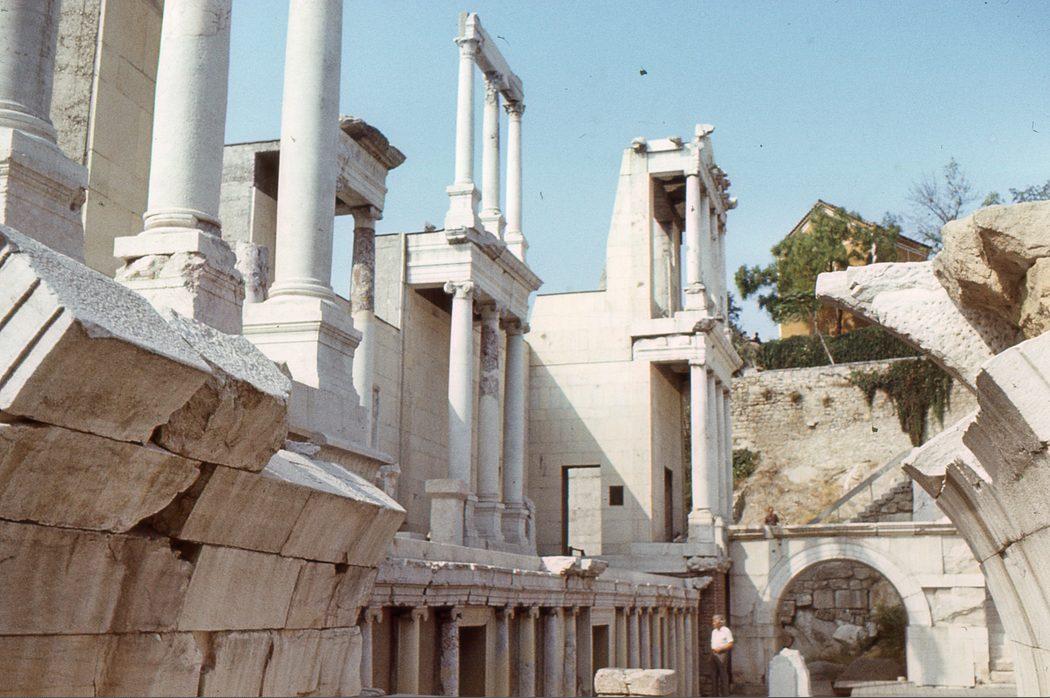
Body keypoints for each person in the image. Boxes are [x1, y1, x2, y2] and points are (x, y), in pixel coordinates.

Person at [710, 614, 733, 696]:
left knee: (723, 675)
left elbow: (730, 644)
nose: (713, 623)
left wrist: (720, 649)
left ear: (720, 622)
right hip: (713, 654)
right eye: (713, 621)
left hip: (722, 654)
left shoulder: (726, 630)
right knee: (713, 675)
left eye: (714, 621)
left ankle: (725, 695)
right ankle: (715, 695)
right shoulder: (714, 631)